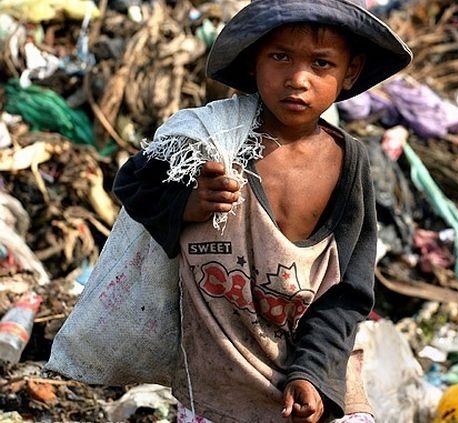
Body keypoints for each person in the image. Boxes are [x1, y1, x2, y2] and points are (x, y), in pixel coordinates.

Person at [113, 0, 412, 422]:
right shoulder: (209, 139)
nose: (298, 79)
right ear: (254, 61)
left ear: (351, 71)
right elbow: (131, 184)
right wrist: (185, 204)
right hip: (220, 376)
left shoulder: (349, 163)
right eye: (280, 56)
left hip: (315, 364)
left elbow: (348, 290)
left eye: (321, 63)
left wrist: (311, 372)